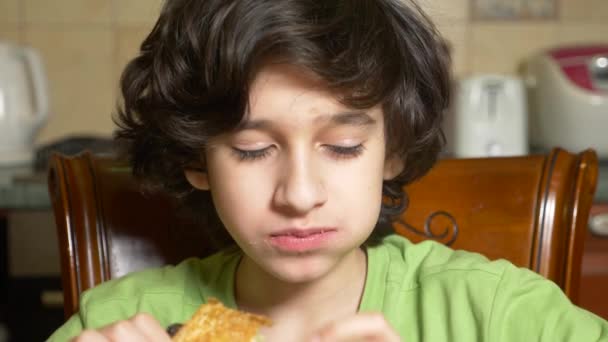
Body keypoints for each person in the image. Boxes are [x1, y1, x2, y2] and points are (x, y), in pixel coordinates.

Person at [49, 0, 608, 341]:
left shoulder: (500, 313)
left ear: (392, 152)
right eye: (251, 150)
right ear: (198, 158)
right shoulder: (124, 317)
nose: (299, 194)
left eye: (341, 146)